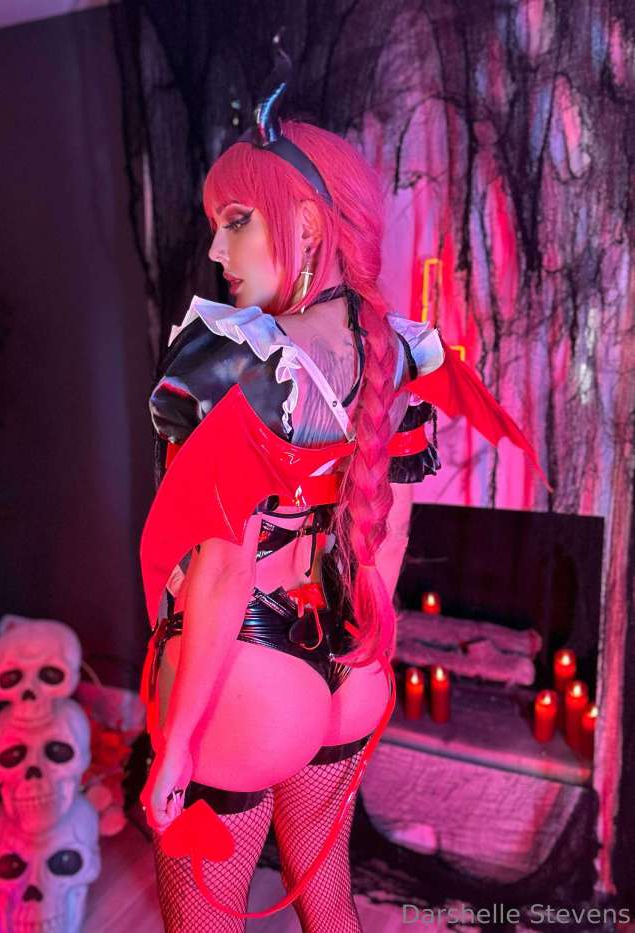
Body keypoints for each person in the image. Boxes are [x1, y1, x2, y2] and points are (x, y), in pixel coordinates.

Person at [137, 51, 543, 933]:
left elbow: (221, 572)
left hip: (245, 678)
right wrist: (365, 648)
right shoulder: (400, 350)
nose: (217, 251)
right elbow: (389, 529)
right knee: (329, 900)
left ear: (308, 225)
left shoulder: (233, 358)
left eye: (236, 221)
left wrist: (174, 747)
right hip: (350, 666)